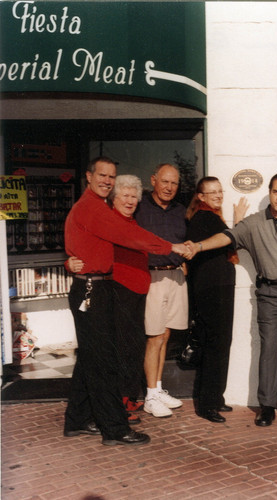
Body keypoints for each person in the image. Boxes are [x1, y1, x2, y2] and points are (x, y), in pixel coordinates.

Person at [64, 157, 188, 446]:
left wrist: (69, 262)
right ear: (88, 176)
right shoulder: (92, 208)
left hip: (95, 288)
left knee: (89, 360)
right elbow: (130, 236)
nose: (107, 180)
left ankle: (77, 420)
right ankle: (115, 429)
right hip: (92, 290)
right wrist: (171, 246)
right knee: (104, 362)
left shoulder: (92, 207)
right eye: (103, 175)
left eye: (111, 176)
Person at [185, 173, 277, 427]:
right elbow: (228, 237)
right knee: (267, 350)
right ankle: (267, 406)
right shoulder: (254, 223)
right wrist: (198, 247)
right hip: (269, 294)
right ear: (269, 192)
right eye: (275, 191)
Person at [66, 174, 150, 425]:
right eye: (125, 195)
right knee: (116, 350)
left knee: (132, 346)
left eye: (134, 196)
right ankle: (117, 408)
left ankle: (114, 403)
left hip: (136, 291)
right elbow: (83, 248)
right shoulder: (107, 222)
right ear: (114, 198)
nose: (130, 200)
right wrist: (69, 262)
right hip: (114, 291)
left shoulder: (133, 223)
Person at [185, 177, 249, 423]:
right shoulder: (204, 218)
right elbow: (231, 239)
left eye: (220, 191)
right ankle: (207, 404)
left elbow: (227, 240)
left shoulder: (212, 217)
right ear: (200, 196)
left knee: (221, 342)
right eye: (212, 192)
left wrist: (235, 223)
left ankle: (215, 398)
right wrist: (239, 222)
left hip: (218, 287)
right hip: (211, 289)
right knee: (216, 343)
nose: (218, 195)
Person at [134, 163, 188, 418]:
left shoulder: (180, 210)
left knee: (165, 335)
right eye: (165, 181)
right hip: (152, 278)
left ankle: (158, 388)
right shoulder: (140, 207)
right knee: (154, 336)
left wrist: (185, 259)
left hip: (175, 276)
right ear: (153, 180)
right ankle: (150, 395)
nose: (169, 187)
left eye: (174, 183)